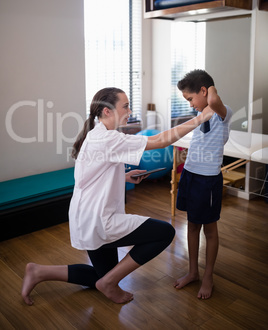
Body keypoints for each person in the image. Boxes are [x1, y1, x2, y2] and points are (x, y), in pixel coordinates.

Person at [22, 87, 213, 306]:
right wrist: (200, 118)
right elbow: (160, 140)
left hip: (85, 216)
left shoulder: (96, 134)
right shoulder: (108, 139)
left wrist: (123, 177)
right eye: (125, 106)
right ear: (107, 111)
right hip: (100, 220)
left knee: (100, 278)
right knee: (164, 233)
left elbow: (90, 176)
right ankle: (111, 283)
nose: (130, 111)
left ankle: (38, 272)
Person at [174, 69, 232, 300]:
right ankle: (193, 272)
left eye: (190, 99)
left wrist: (211, 90)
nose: (190, 104)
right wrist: (201, 102)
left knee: (209, 229)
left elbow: (215, 100)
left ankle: (208, 276)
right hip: (190, 174)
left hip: (208, 180)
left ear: (204, 91)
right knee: (191, 224)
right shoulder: (201, 115)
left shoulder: (222, 113)